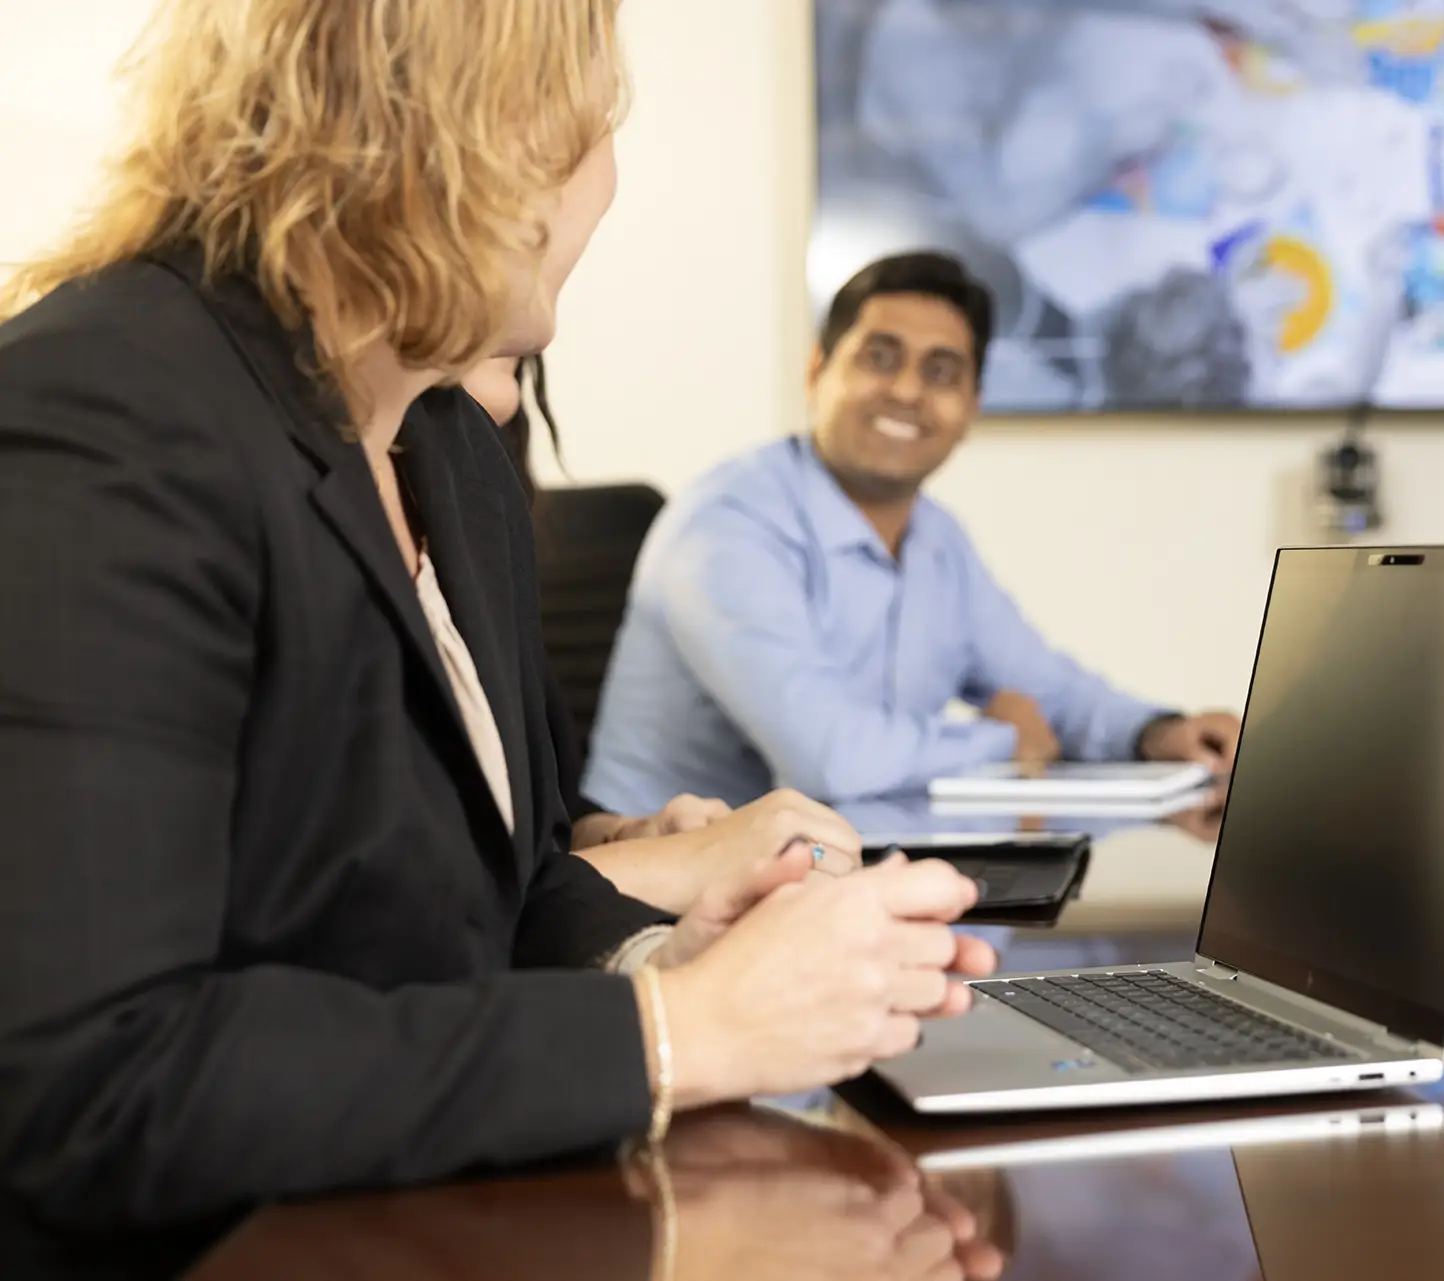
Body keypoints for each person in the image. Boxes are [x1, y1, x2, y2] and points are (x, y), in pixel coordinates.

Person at [0, 0, 993, 1239]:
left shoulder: (449, 445)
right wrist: (682, 1032)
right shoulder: (104, 415)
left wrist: (663, 961)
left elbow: (486, 890)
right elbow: (95, 1079)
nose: (608, 183)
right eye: (596, 131)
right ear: (495, 139)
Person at [584, 251, 1241, 814]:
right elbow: (829, 758)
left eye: (940, 372)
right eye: (879, 357)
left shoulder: (936, 540)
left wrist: (1161, 732)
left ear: (971, 407)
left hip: (826, 871)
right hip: (653, 896)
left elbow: (1046, 686)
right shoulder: (727, 528)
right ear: (817, 371)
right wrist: (1004, 742)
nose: (906, 391)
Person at [463, 355, 870, 915]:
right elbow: (432, 887)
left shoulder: (483, 534)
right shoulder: (732, 518)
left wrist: (621, 834)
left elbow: (539, 816)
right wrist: (678, 864)